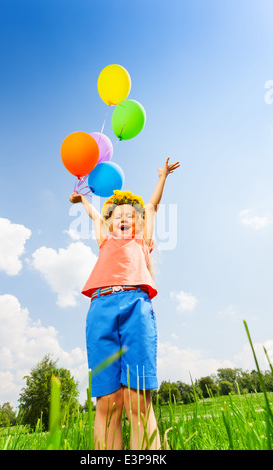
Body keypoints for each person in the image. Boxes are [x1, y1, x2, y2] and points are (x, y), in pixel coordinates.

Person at [69, 157, 180, 450]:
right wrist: (83, 200)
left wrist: (162, 177)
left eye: (130, 215)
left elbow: (153, 206)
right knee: (107, 401)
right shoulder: (104, 241)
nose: (123, 217)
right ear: (110, 221)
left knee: (137, 398)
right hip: (100, 307)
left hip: (135, 307)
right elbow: (95, 217)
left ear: (139, 223)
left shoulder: (142, 242)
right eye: (117, 214)